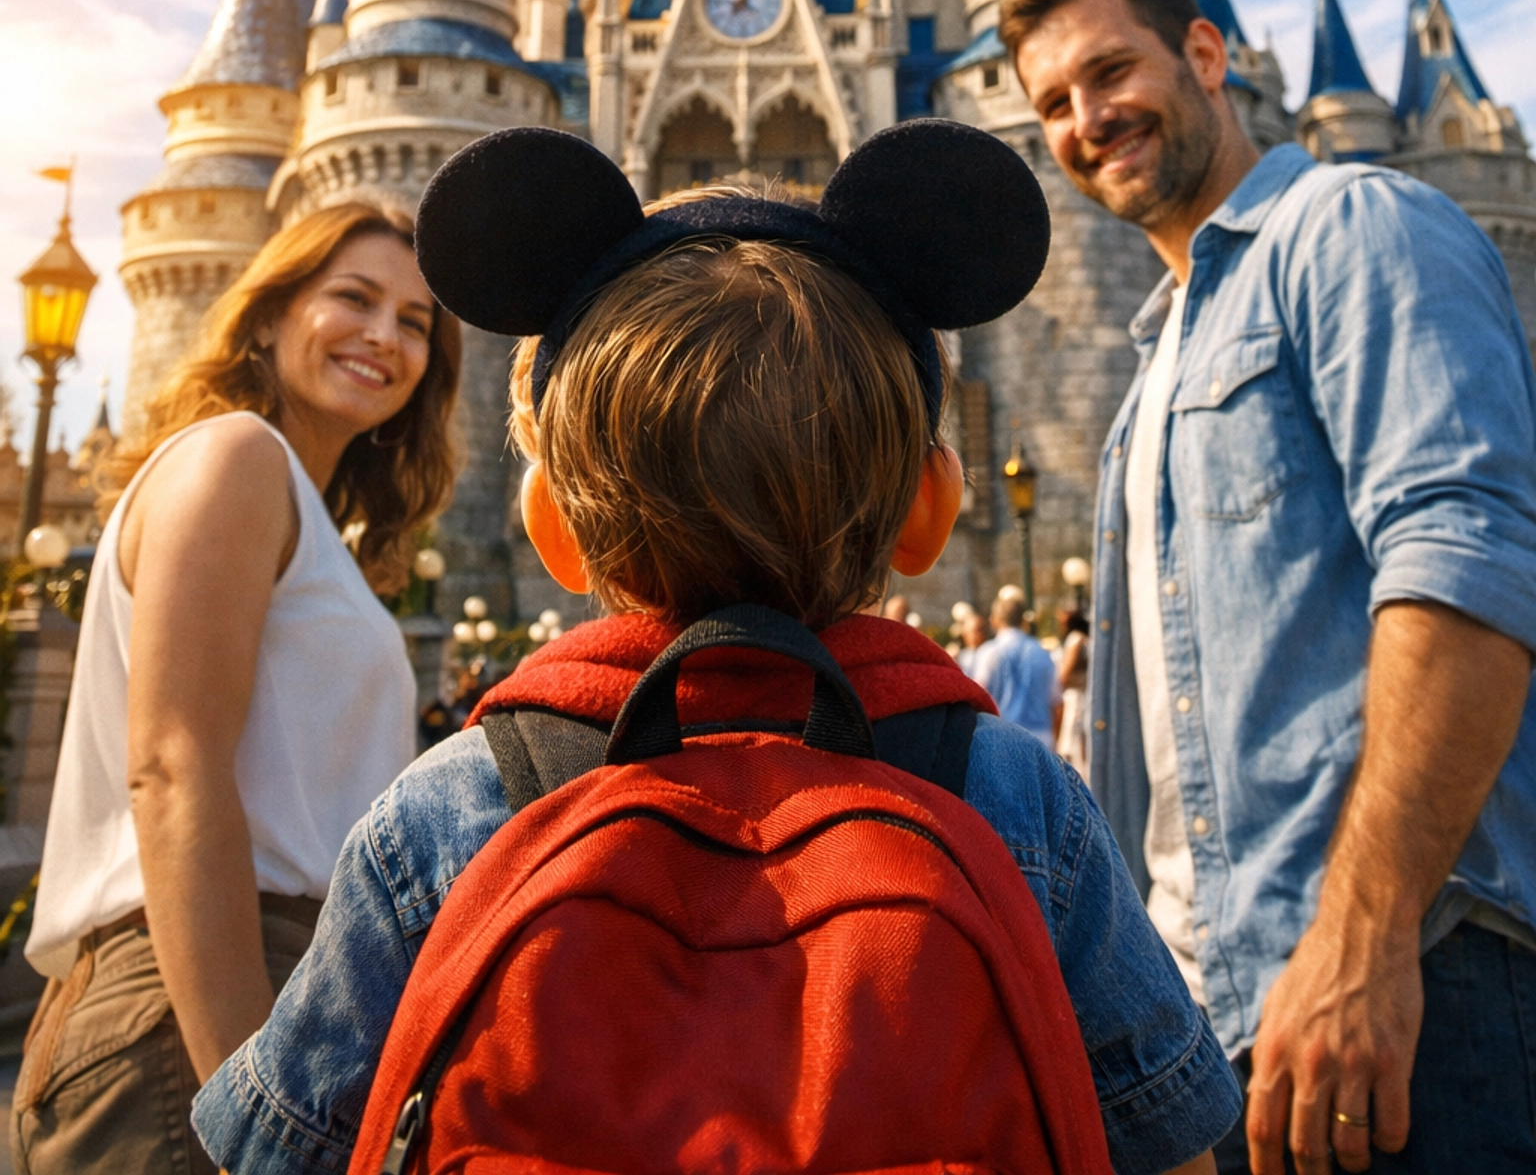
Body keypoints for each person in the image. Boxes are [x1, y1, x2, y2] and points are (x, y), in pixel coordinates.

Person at [193, 121, 1239, 1174]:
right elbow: (1173, 1142)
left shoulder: (449, 811)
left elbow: (280, 1148)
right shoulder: (1015, 797)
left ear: (548, 523)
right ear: (932, 513)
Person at [1003, 0, 1536, 1174]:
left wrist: (1366, 937)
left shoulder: (1353, 227)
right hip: (1227, 1025)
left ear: (1205, 56)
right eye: (1052, 105)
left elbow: (1468, 567)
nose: (1087, 122)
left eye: (1110, 70)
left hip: (1402, 990)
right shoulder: (1159, 368)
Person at [14, 201, 461, 1175]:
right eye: (354, 298)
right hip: (197, 992)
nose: (385, 334)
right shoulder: (236, 457)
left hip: (265, 993)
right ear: (267, 315)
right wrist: (252, 1105)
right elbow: (173, 769)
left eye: (415, 321)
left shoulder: (299, 511)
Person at [973, 587, 1063, 748]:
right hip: (1040, 737)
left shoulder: (988, 653)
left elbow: (979, 697)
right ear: (1023, 620)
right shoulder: (1041, 652)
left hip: (1002, 737)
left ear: (994, 620)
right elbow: (1057, 701)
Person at [1056, 606, 1091, 776]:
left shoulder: (1075, 640)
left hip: (1076, 696)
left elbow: (1064, 673)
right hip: (1083, 694)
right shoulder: (1085, 638)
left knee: (1072, 742)